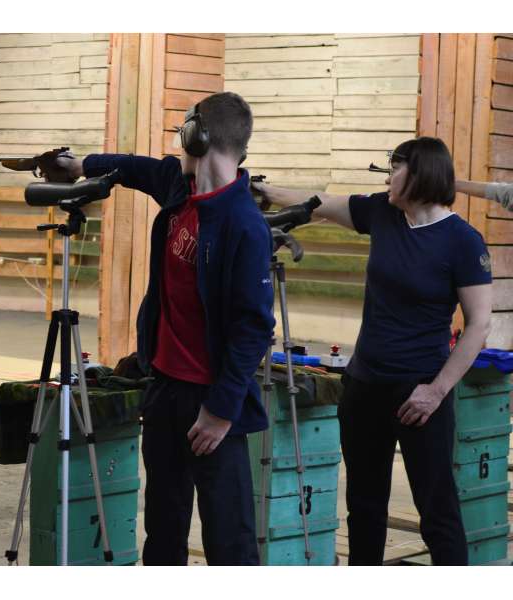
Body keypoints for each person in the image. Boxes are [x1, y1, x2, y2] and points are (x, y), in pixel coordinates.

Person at [54, 91, 275, 565]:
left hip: (213, 402)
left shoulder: (244, 224)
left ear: (199, 136)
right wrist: (81, 166)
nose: (177, 144)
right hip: (166, 389)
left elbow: (253, 329)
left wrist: (219, 411)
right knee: (163, 531)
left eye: (182, 133)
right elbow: (134, 167)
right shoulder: (180, 186)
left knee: (230, 542)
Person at [253, 137, 493, 566]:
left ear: (420, 173)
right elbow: (319, 202)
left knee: (437, 513)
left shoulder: (463, 241)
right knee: (364, 509)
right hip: (364, 386)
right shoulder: (383, 213)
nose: (388, 178)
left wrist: (436, 391)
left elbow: (478, 325)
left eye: (394, 169)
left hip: (420, 393)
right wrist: (265, 192)